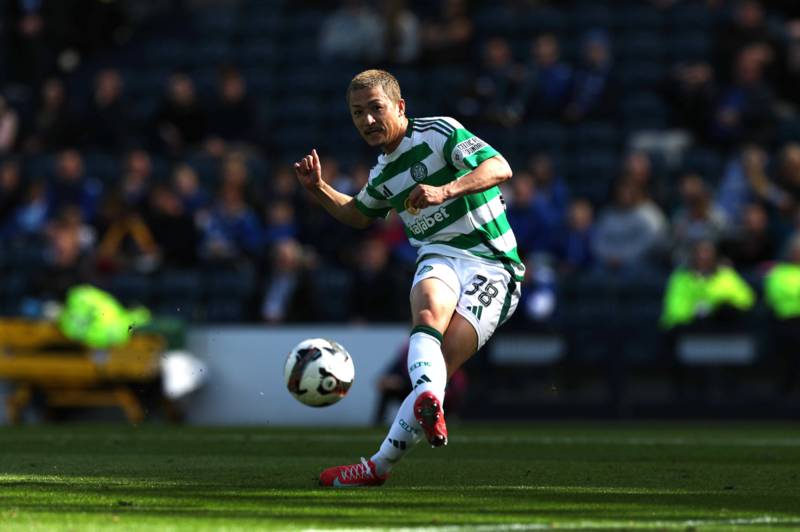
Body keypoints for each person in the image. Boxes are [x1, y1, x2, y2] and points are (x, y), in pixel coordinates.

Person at [293, 69, 524, 487]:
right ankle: (428, 404)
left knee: (443, 360)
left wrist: (445, 190)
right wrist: (319, 189)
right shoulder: (383, 174)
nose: (367, 120)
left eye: (375, 108)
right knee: (428, 316)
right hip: (439, 255)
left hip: (493, 264)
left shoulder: (439, 132)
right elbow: (359, 214)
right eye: (357, 113)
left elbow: (499, 167)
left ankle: (380, 463)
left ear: (400, 107)